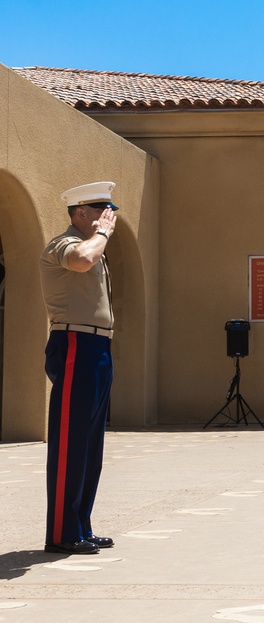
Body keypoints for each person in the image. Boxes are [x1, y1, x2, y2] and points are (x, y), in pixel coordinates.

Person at [39, 181, 119, 555]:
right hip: (74, 343)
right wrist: (101, 233)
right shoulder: (65, 244)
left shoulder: (96, 249)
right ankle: (61, 532)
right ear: (80, 213)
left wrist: (101, 236)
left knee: (90, 445)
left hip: (98, 346)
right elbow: (81, 261)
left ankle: (80, 525)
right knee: (70, 442)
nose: (108, 217)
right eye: (101, 210)